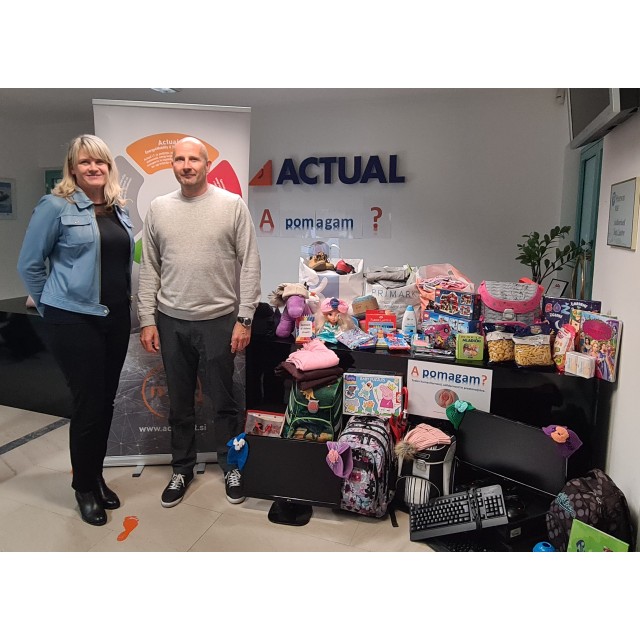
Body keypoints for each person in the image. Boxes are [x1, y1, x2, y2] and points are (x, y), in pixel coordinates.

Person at [17, 134, 134, 526]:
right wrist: (51, 306)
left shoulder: (118, 209)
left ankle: (95, 476)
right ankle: (83, 487)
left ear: (108, 167)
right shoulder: (55, 206)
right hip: (74, 320)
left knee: (106, 403)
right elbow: (29, 264)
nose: (93, 168)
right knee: (88, 405)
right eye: (85, 162)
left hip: (116, 318)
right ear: (72, 168)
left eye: (100, 161)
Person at [137, 136, 261, 507]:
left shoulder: (232, 205)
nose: (187, 165)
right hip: (171, 321)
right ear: (172, 165)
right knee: (179, 404)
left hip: (219, 321)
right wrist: (147, 318)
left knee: (224, 402)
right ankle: (181, 468)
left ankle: (232, 466)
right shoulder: (159, 208)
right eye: (179, 159)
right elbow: (150, 268)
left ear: (207, 165)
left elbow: (250, 263)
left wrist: (245, 318)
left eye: (194, 159)